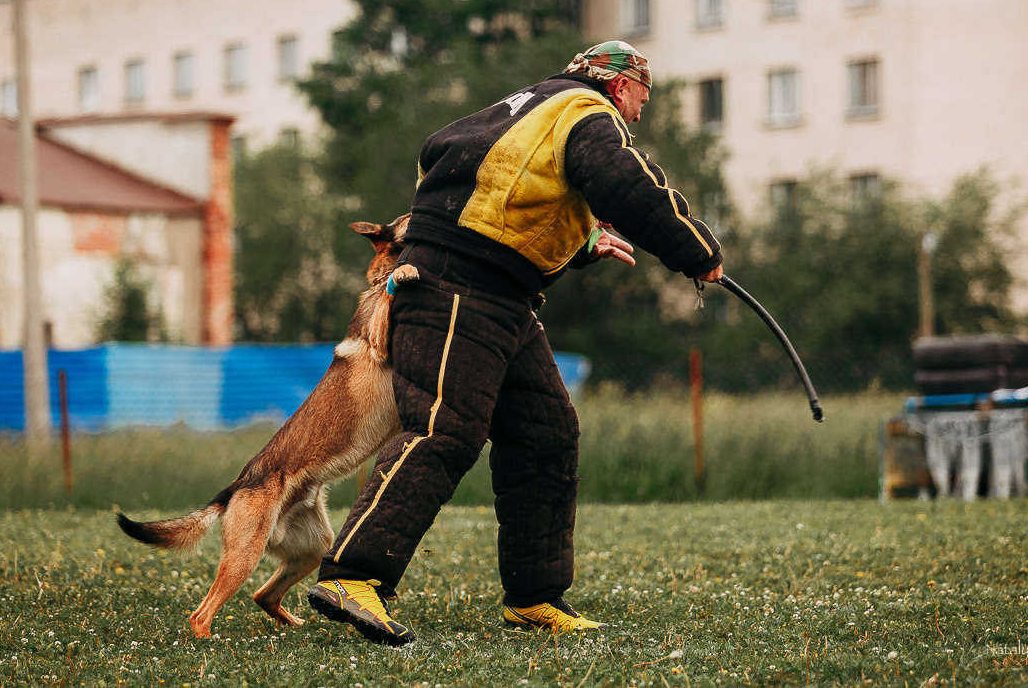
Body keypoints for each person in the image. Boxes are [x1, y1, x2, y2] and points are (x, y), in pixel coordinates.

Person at [308, 40, 724, 646]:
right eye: (642, 97)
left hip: (501, 294)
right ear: (618, 84)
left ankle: (534, 598)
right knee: (444, 428)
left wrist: (580, 243)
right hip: (457, 287)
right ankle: (353, 575)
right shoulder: (585, 110)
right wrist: (697, 249)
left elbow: (494, 188)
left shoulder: (523, 109)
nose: (639, 113)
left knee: (545, 434)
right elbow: (625, 183)